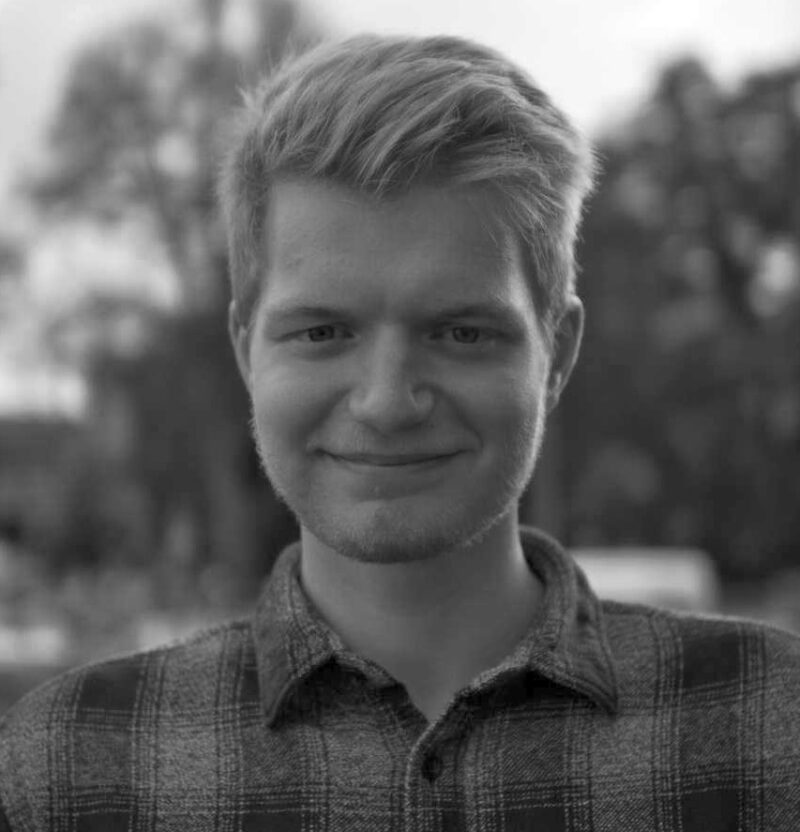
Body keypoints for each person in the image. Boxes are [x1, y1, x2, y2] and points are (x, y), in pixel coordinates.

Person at [2, 33, 799, 832]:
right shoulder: (69, 771)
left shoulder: (769, 731)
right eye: (322, 333)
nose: (386, 403)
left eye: (461, 333)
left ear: (556, 353)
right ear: (246, 349)